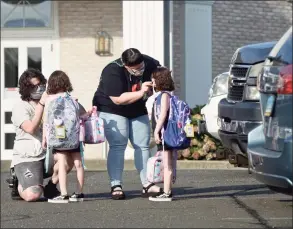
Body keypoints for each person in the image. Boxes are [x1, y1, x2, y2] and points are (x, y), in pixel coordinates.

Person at [92, 48, 163, 199]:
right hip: (112, 108)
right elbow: (118, 99)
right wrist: (142, 92)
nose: (140, 70)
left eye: (141, 66)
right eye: (135, 69)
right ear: (125, 65)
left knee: (142, 145)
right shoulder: (112, 71)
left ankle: (147, 184)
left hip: (137, 107)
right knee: (118, 145)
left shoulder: (150, 62)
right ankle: (116, 185)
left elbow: (163, 77)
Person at [10, 68, 70, 202]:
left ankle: (51, 186)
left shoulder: (52, 101)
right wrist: (41, 104)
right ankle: (19, 181)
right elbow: (30, 128)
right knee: (33, 195)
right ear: (26, 89)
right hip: (30, 156)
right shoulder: (21, 107)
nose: (40, 88)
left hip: (49, 152)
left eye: (42, 84)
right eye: (35, 86)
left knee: (70, 157)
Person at [42, 70, 92, 203]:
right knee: (78, 164)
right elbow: (83, 116)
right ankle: (79, 193)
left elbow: (46, 121)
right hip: (74, 137)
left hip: (59, 137)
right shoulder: (73, 100)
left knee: (62, 164)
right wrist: (90, 113)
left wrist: (45, 138)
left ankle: (64, 194)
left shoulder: (49, 100)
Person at [149, 67, 175, 201]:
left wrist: (156, 131)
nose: (152, 81)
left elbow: (163, 114)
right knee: (167, 164)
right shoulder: (164, 95)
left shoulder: (165, 95)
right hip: (166, 133)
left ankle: (166, 193)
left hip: (165, 133)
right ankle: (167, 191)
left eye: (153, 78)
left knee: (167, 165)